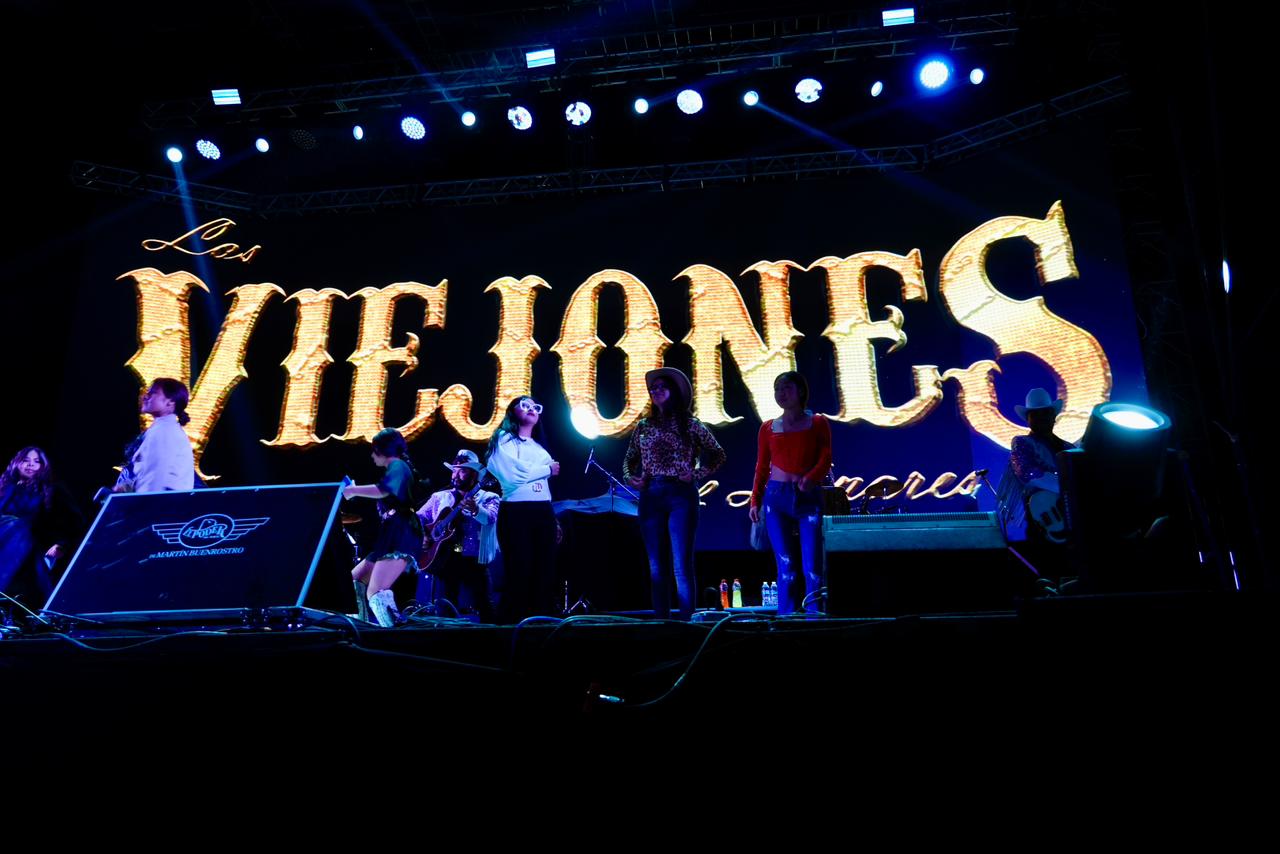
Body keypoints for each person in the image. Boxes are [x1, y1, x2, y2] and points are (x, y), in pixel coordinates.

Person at [623, 367, 725, 620]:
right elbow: (629, 459)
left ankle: (688, 623)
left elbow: (718, 454)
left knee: (681, 565)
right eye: (653, 388)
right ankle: (662, 623)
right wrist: (630, 478)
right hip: (651, 495)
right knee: (656, 567)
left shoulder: (690, 424)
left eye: (662, 387)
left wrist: (697, 473)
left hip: (681, 494)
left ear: (675, 391)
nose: (656, 391)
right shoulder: (644, 426)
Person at [749, 371, 832, 615]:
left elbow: (826, 457)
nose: (781, 393)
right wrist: (755, 500)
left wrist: (811, 478)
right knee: (785, 566)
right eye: (777, 388)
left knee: (812, 566)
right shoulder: (768, 428)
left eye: (786, 388)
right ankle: (785, 617)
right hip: (776, 498)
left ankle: (815, 617)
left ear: (801, 391)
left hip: (808, 497)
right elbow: (761, 466)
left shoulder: (817, 422)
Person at [484, 396, 559, 623]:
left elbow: (529, 476)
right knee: (520, 567)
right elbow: (511, 476)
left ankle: (541, 621)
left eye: (535, 406)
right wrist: (545, 470)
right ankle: (512, 623)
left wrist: (553, 518)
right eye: (525, 405)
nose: (531, 409)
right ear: (512, 411)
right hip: (517, 510)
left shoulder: (539, 447)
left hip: (543, 509)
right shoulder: (503, 438)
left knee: (544, 568)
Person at [344, 428, 424, 627]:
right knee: (355, 582)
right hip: (391, 534)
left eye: (374, 450)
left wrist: (352, 490)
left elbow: (382, 490)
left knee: (375, 591)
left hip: (401, 533)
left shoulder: (398, 466)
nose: (372, 456)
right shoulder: (397, 468)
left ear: (382, 450)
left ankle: (395, 637)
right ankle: (360, 631)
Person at [416, 449, 500, 622]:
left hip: (474, 559)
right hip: (444, 559)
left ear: (474, 475)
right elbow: (418, 518)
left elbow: (490, 518)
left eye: (462, 471)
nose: (455, 475)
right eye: (454, 470)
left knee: (485, 606)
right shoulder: (440, 497)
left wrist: (476, 510)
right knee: (445, 609)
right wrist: (423, 535)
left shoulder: (489, 497)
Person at [0, 447, 83, 599]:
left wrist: (62, 544)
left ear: (43, 466)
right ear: (17, 463)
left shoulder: (53, 490)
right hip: (3, 543)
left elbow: (74, 522)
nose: (30, 464)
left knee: (18, 527)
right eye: (25, 460)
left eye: (36, 461)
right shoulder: (5, 489)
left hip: (31, 551)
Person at [1008, 387, 1076, 546]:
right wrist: (1066, 488)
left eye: (1045, 413)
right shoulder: (1022, 442)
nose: (1041, 418)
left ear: (1054, 416)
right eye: (1035, 414)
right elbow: (1027, 472)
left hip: (1072, 515)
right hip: (1043, 518)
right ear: (1028, 420)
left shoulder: (1069, 448)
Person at [114, 378, 195, 494]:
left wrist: (138, 502)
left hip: (161, 504)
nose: (145, 396)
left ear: (170, 402)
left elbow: (154, 481)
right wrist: (127, 487)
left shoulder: (165, 431)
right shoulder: (161, 429)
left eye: (153, 393)